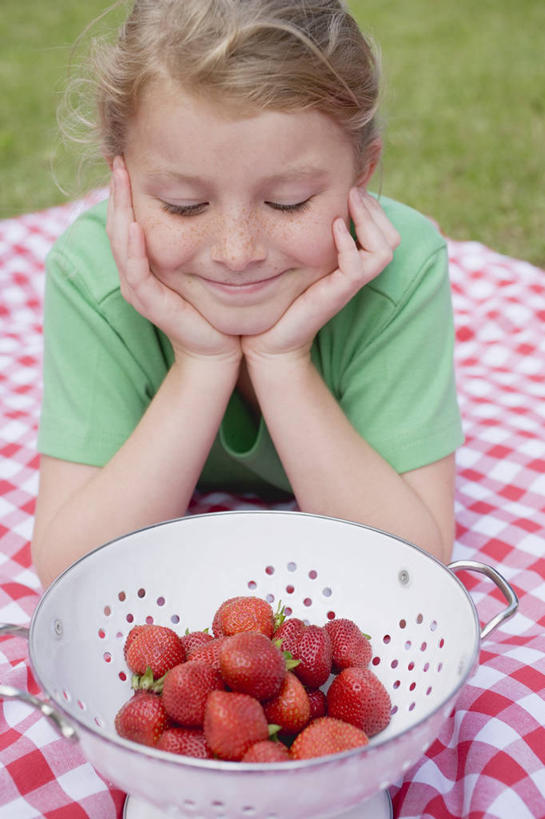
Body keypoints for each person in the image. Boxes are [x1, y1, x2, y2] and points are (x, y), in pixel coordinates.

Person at [32, 0, 464, 587]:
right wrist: (201, 362)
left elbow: (413, 566)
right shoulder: (92, 276)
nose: (237, 253)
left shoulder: (400, 271)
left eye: (288, 202)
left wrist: (281, 360)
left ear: (362, 174)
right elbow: (68, 570)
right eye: (184, 206)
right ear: (122, 183)